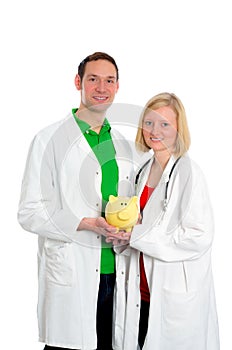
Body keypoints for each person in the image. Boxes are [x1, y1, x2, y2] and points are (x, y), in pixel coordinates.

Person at [17, 52, 134, 350]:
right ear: (78, 82)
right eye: (93, 79)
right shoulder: (48, 139)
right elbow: (30, 211)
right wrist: (85, 223)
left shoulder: (123, 143)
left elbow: (129, 202)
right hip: (72, 270)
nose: (101, 87)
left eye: (109, 80)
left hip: (117, 272)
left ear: (118, 87)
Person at [110, 92, 220, 349]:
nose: (154, 130)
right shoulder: (142, 171)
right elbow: (139, 226)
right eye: (148, 123)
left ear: (179, 129)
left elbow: (199, 236)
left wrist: (136, 236)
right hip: (143, 289)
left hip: (172, 292)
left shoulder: (188, 172)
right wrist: (122, 235)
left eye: (164, 124)